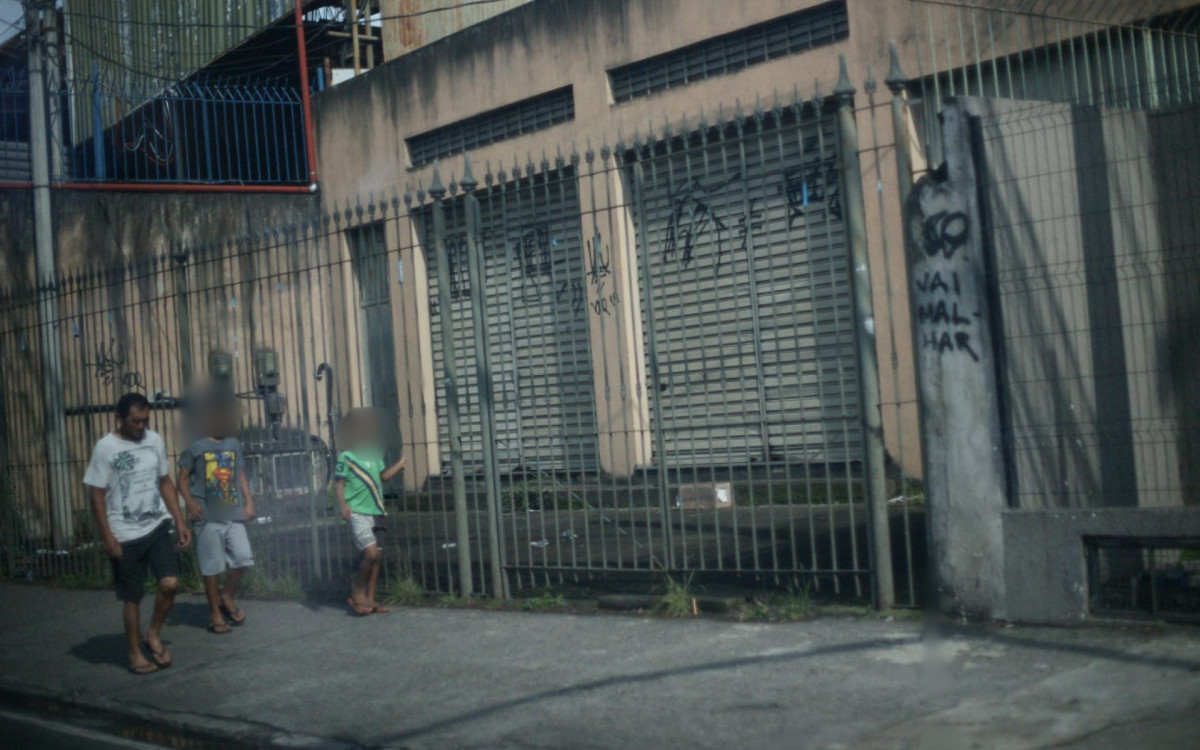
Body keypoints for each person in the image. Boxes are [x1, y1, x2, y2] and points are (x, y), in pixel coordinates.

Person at [84, 392, 192, 676]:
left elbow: (165, 482)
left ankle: (152, 633)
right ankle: (134, 653)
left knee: (170, 583)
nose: (142, 426)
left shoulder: (154, 440)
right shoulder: (105, 448)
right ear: (119, 418)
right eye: (135, 421)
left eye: (145, 420)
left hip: (156, 526)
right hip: (124, 533)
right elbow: (96, 496)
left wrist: (179, 520)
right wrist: (107, 536)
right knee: (132, 597)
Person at [177, 392, 256, 634]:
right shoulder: (196, 448)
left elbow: (240, 473)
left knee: (243, 558)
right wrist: (189, 502)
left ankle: (226, 596)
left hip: (233, 512)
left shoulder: (233, 444)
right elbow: (181, 479)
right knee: (211, 567)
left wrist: (249, 502)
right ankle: (215, 613)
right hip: (207, 516)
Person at [333, 408, 405, 615]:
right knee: (370, 553)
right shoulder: (346, 457)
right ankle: (358, 591)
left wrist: (400, 465)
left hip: (376, 511)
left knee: (377, 557)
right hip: (357, 512)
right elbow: (338, 483)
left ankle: (370, 600)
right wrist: (343, 505)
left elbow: (383, 477)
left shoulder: (375, 454)